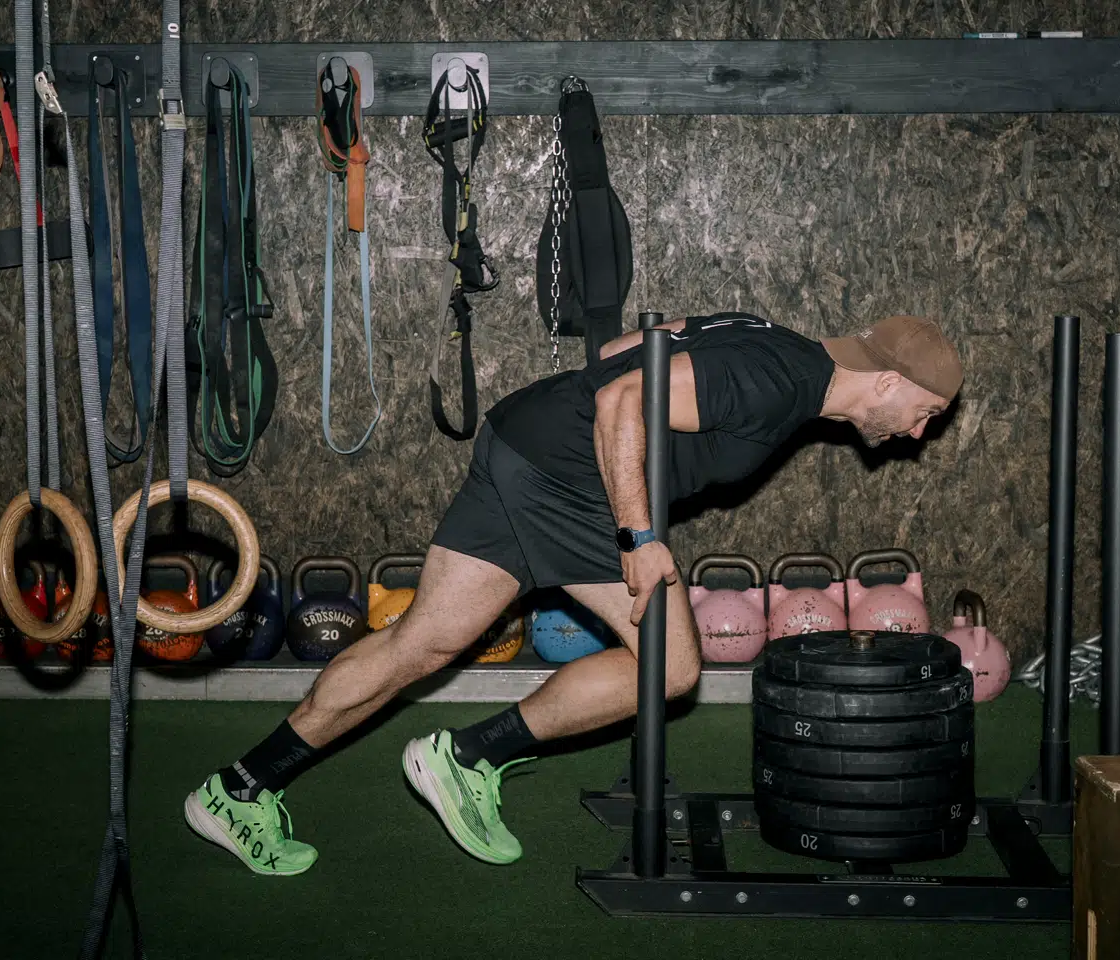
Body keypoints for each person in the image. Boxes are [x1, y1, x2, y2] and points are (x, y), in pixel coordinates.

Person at [183, 311, 962, 875]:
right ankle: (468, 755)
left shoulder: (776, 344)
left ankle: (238, 787)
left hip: (525, 444)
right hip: (569, 482)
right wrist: (637, 535)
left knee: (420, 644)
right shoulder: (781, 380)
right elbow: (625, 398)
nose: (919, 434)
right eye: (925, 414)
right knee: (672, 668)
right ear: (889, 381)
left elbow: (630, 348)